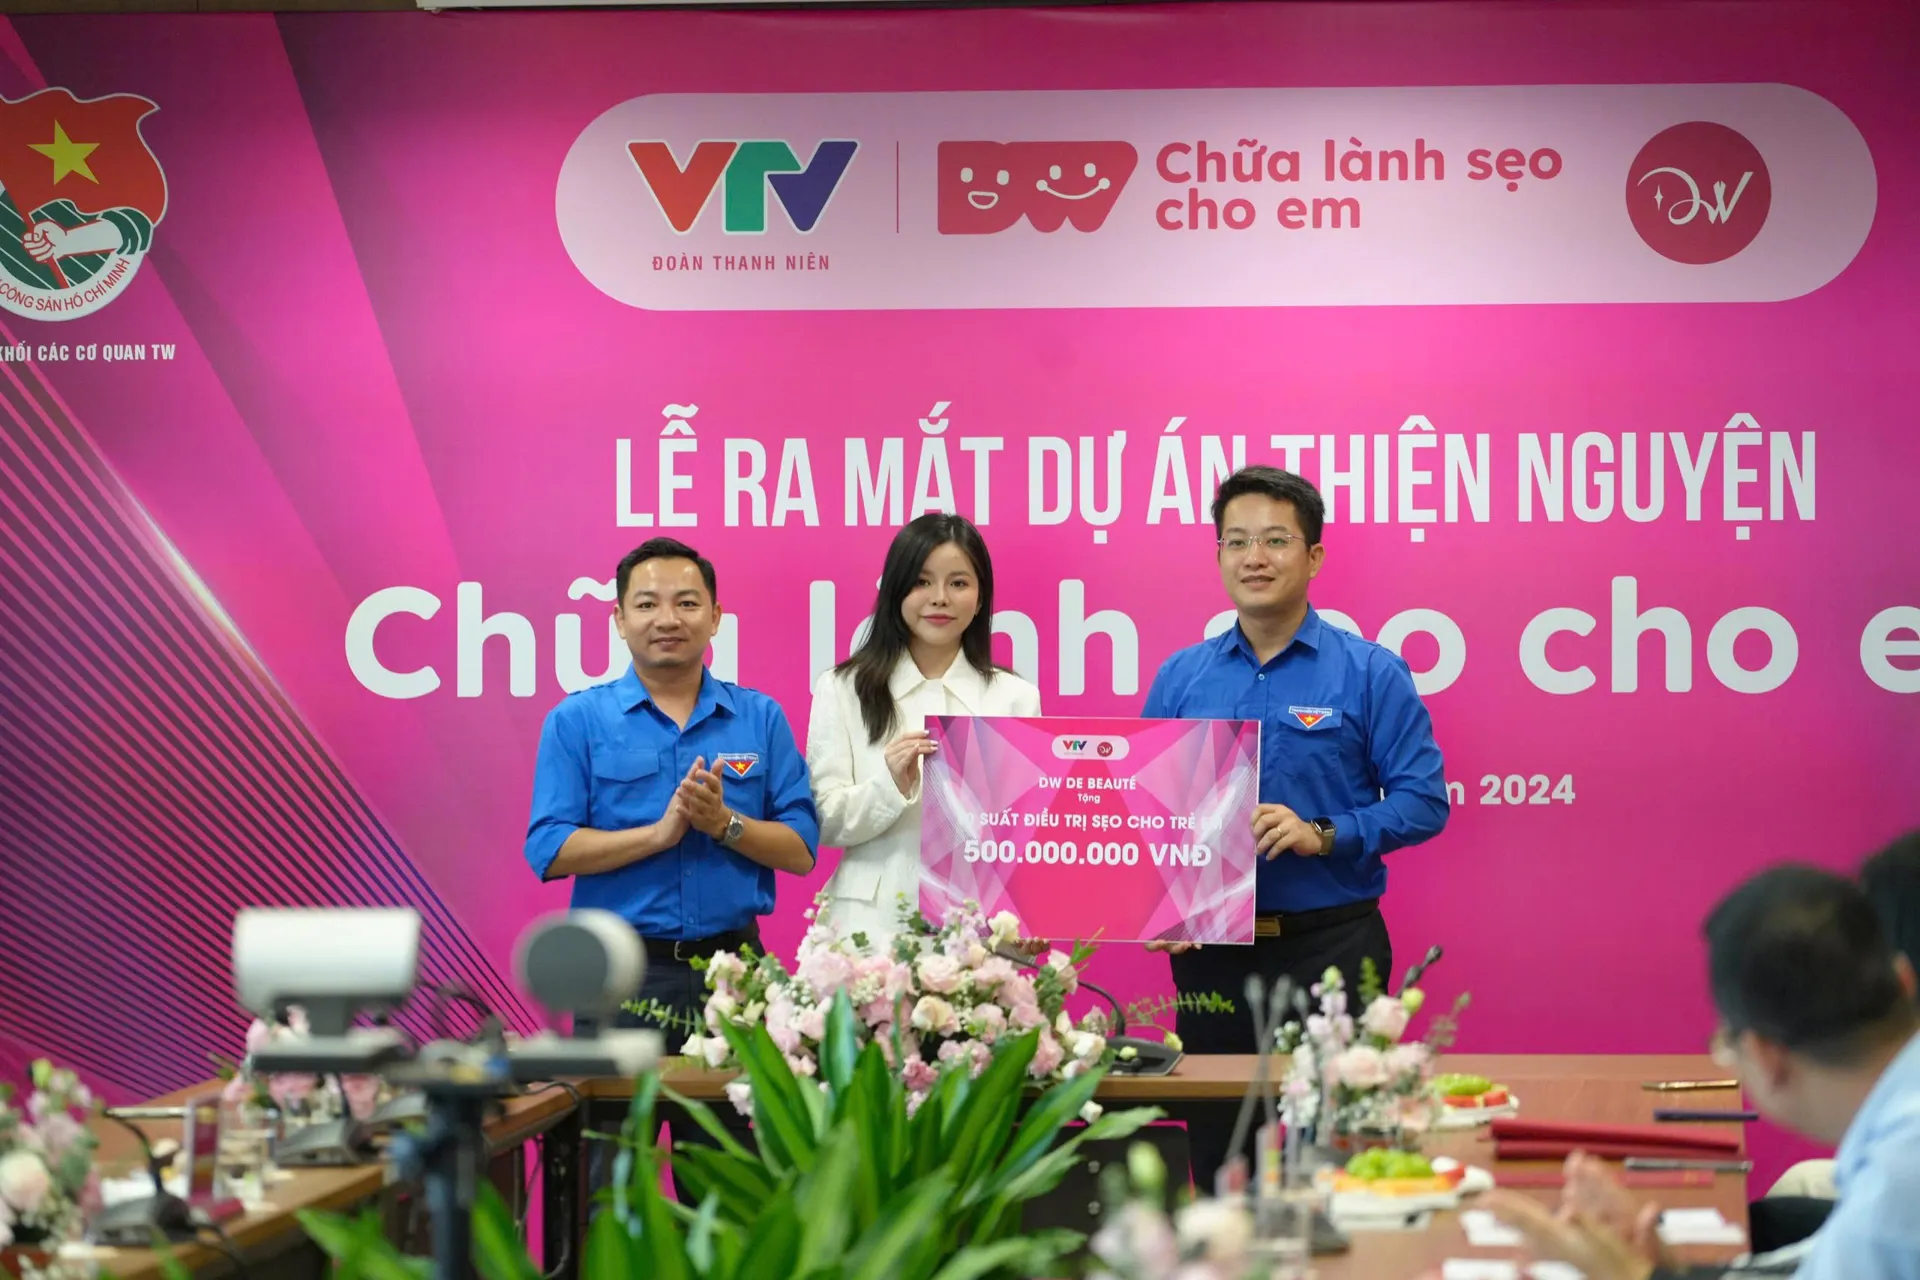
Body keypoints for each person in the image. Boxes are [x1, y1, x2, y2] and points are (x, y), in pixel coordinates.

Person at [1139, 465, 1449, 1190]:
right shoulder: (1181, 679)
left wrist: (1325, 832)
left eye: (1276, 540)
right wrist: (1159, 902)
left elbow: (1423, 800)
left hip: (1332, 948)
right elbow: (1148, 814)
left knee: (1339, 1157)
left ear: (1313, 557)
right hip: (1213, 958)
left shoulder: (1371, 673)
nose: (1255, 557)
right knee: (1223, 1160)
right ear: (1218, 554)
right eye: (1237, 541)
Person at [1487, 864, 1920, 1280]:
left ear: (1766, 1057)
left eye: (1727, 1045)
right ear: (1904, 980)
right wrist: (1664, 1271)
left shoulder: (1895, 1190)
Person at [523, 537, 820, 1037]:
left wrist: (724, 824)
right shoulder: (577, 720)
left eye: (686, 603)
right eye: (647, 605)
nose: (667, 619)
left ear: (715, 616)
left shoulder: (760, 717)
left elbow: (802, 850)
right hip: (617, 976)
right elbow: (548, 849)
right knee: (616, 1096)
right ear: (620, 619)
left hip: (735, 974)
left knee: (735, 1095)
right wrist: (657, 837)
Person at [807, 513, 1041, 946]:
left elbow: (1023, 836)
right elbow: (823, 821)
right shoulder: (843, 689)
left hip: (975, 932)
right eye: (921, 582)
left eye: (958, 583)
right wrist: (889, 786)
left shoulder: (1015, 699)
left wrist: (1030, 918)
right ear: (895, 590)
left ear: (981, 596)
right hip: (867, 931)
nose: (940, 598)